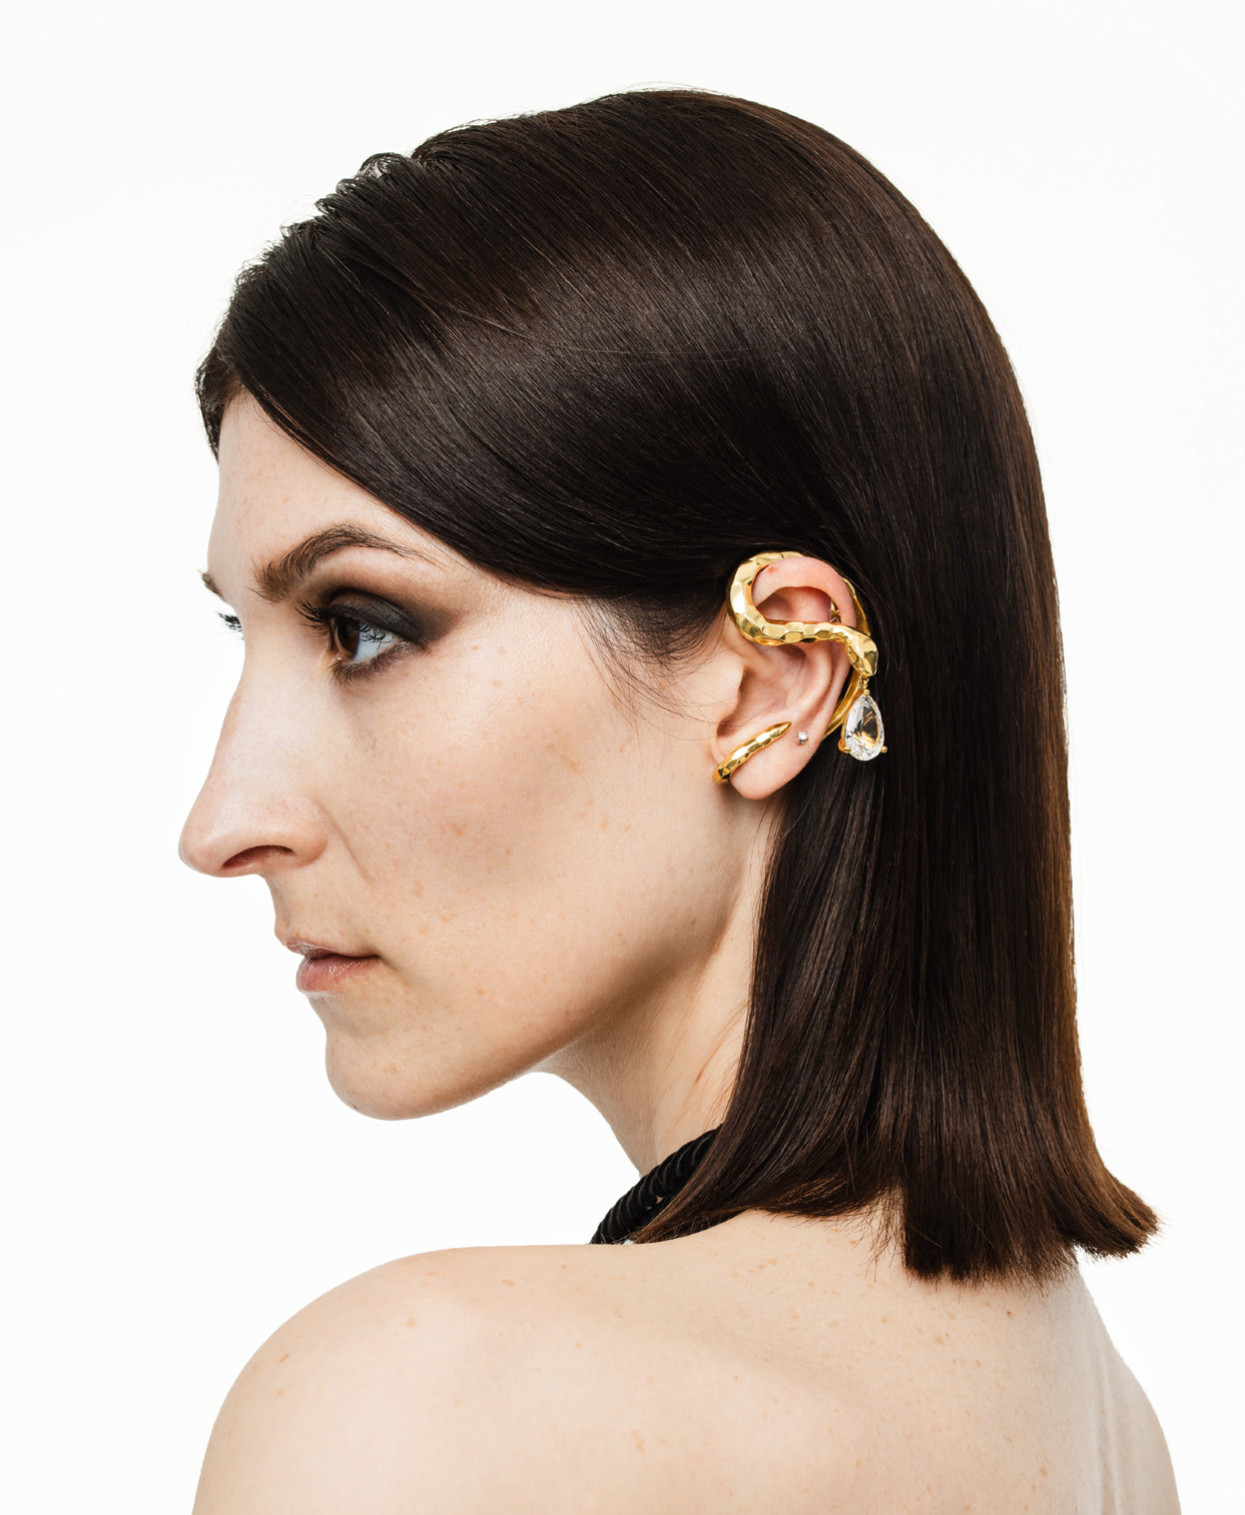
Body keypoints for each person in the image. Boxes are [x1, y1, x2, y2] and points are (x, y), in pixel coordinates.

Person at [177, 85, 1180, 1513]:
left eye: (362, 628)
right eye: (246, 635)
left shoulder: (423, 1410)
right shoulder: (1108, 1438)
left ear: (774, 680)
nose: (223, 823)